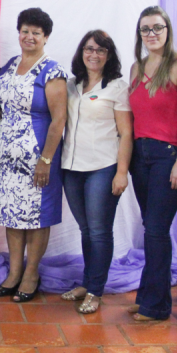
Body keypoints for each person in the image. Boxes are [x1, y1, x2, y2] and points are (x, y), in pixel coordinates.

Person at [128, 5, 177, 321]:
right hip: (140, 155)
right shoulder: (137, 67)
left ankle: (157, 306)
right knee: (151, 228)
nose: (151, 34)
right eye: (145, 29)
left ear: (168, 30)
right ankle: (147, 295)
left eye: (157, 27)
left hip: (171, 156)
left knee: (157, 228)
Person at [0, 8, 68, 303]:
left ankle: (31, 274)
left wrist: (45, 160)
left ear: (46, 37)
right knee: (12, 213)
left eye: (36, 32)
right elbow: (3, 109)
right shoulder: (10, 66)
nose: (30, 36)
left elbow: (59, 120)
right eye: (25, 30)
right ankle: (14, 273)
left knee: (36, 216)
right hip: (7, 158)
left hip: (38, 158)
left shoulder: (52, 71)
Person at [60, 30, 133, 314]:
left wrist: (122, 172)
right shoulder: (71, 85)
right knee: (86, 229)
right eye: (89, 49)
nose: (94, 54)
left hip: (103, 168)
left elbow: (126, 134)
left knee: (100, 231)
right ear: (81, 52)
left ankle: (95, 291)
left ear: (109, 55)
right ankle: (87, 282)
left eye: (101, 50)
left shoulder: (117, 88)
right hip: (71, 168)